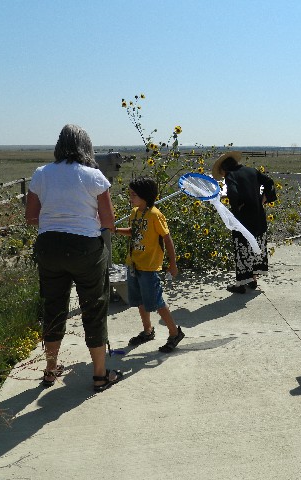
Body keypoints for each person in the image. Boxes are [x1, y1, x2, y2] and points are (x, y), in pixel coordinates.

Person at [25, 124, 122, 392]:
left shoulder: (41, 174)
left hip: (49, 247)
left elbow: (32, 217)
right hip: (86, 249)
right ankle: (100, 375)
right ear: (86, 146)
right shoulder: (95, 177)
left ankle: (50, 369)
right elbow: (109, 222)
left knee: (53, 307)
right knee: (94, 308)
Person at [110, 177, 185, 353]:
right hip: (134, 265)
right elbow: (133, 232)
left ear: (144, 196)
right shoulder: (135, 212)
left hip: (149, 267)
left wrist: (172, 263)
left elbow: (167, 238)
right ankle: (147, 330)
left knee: (156, 302)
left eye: (133, 194)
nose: (130, 197)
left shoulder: (155, 215)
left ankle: (175, 333)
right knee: (140, 301)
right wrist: (116, 230)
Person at [212, 151, 277, 294]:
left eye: (221, 173)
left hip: (243, 219)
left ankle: (240, 284)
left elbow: (233, 193)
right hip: (258, 215)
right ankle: (253, 280)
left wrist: (237, 207)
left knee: (242, 248)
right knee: (255, 245)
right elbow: (269, 182)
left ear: (224, 169)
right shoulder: (251, 171)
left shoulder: (231, 175)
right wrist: (264, 198)